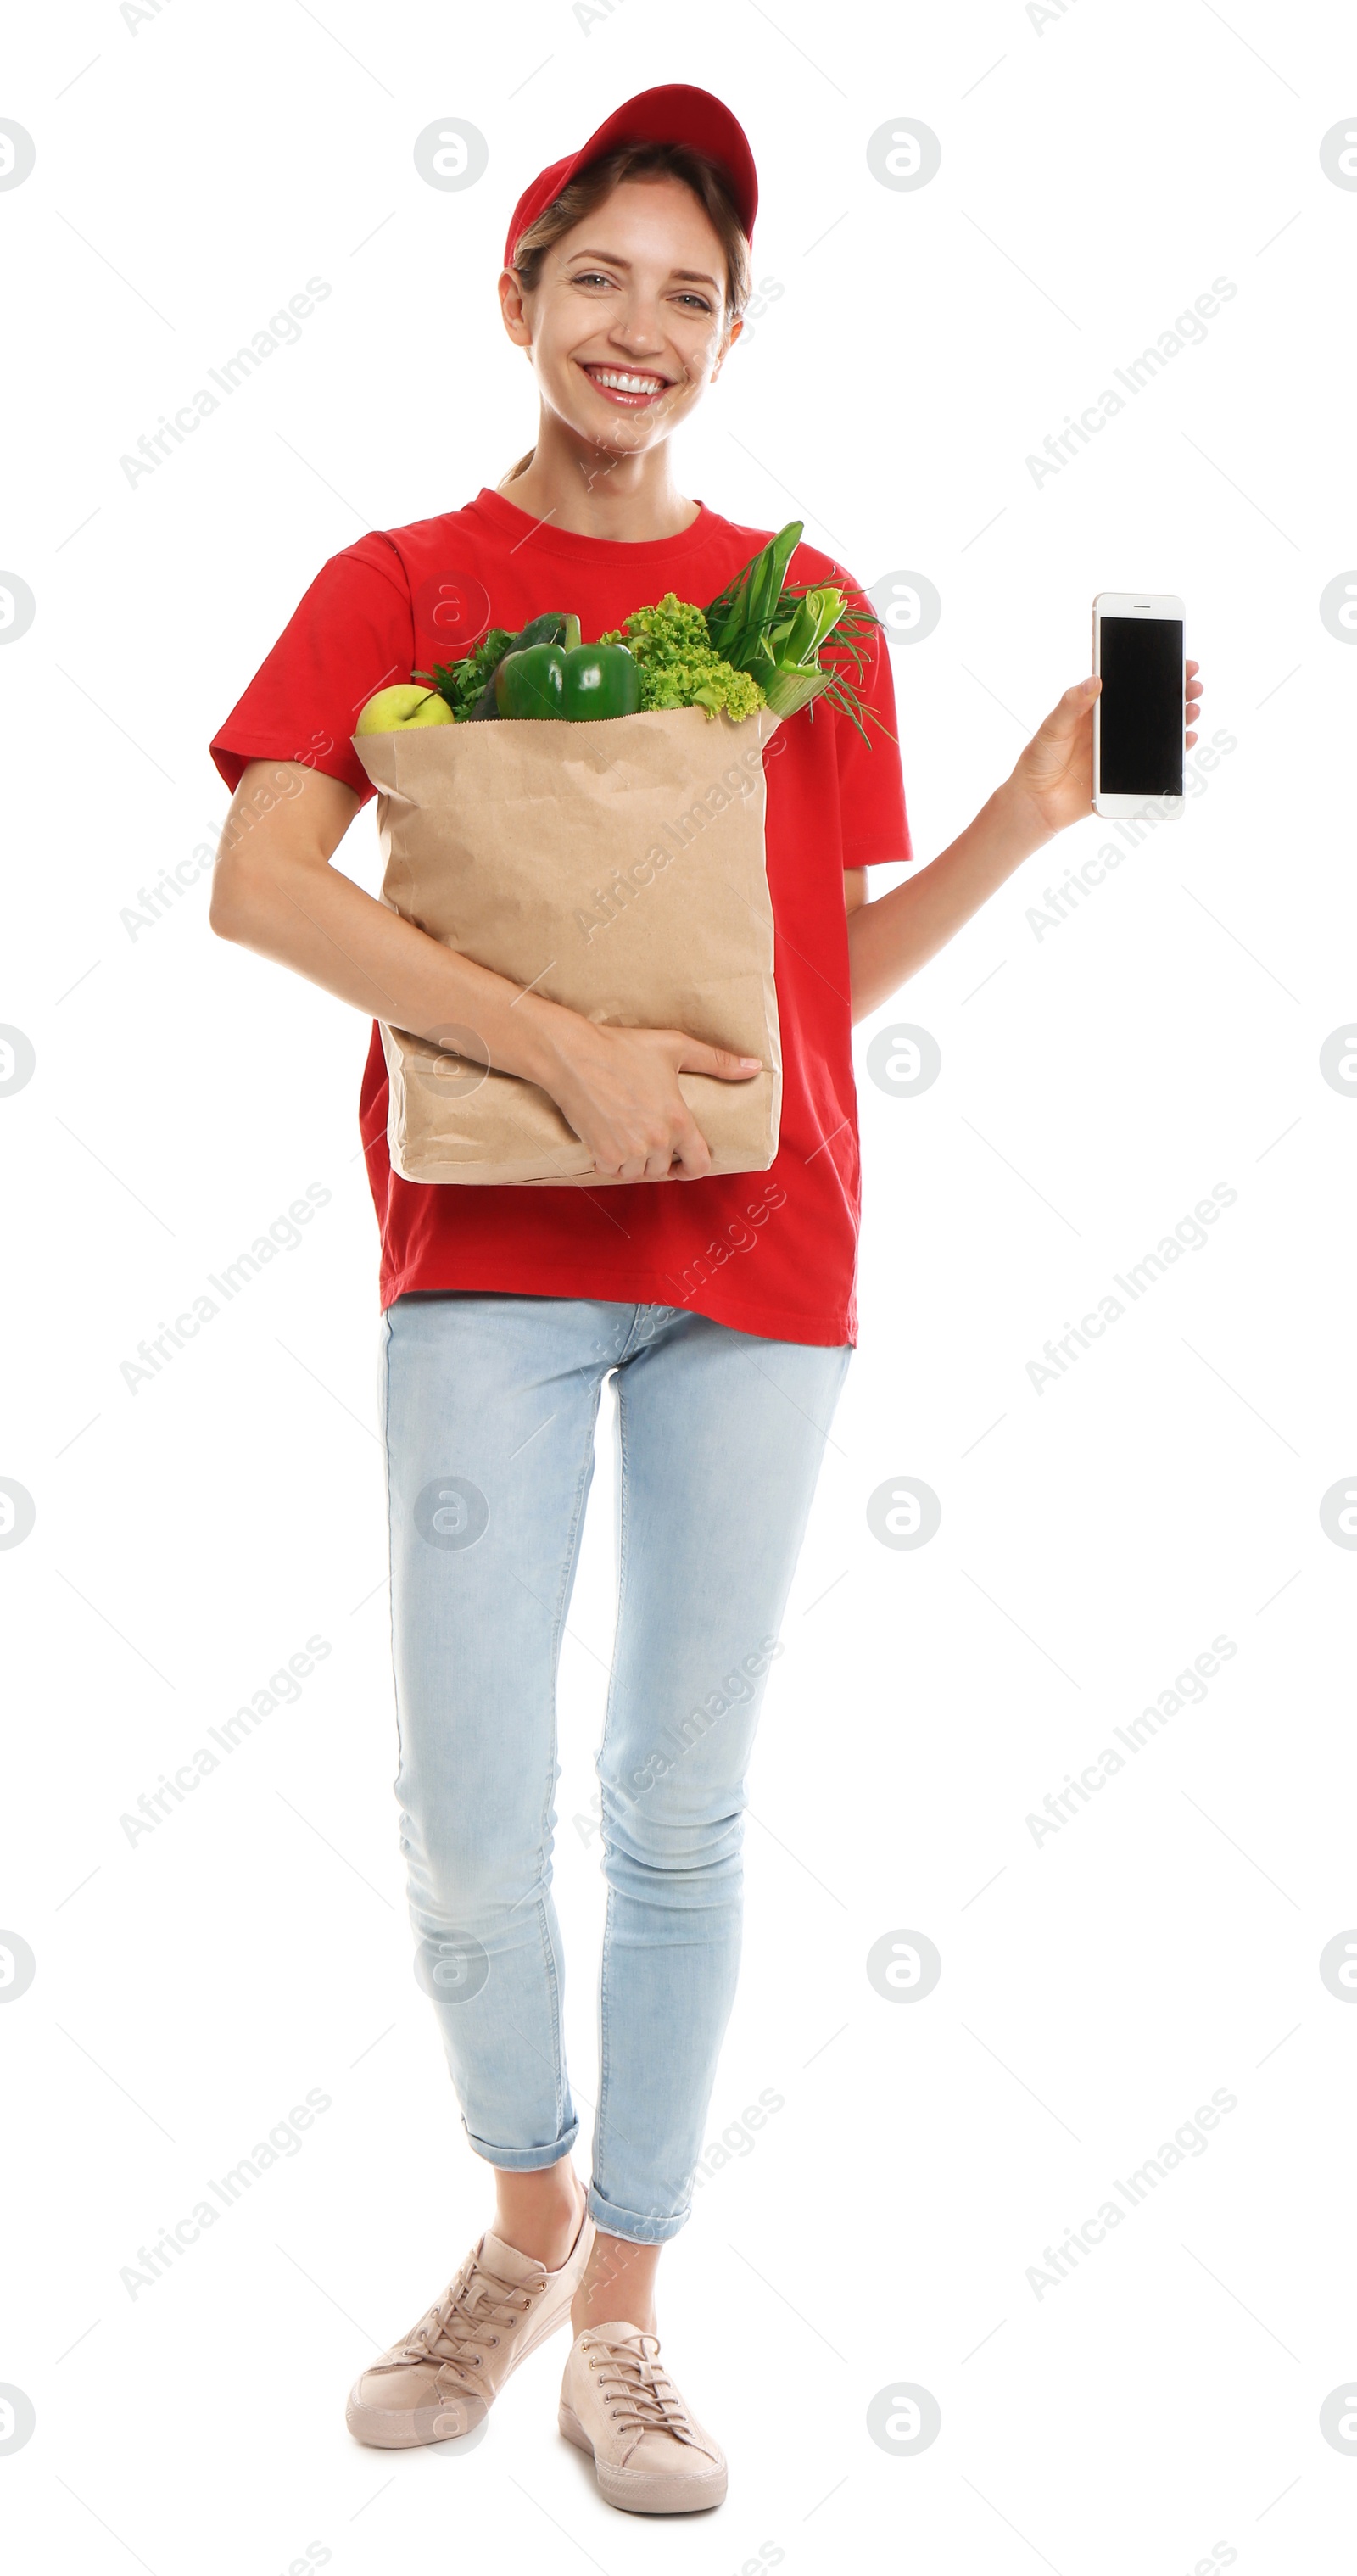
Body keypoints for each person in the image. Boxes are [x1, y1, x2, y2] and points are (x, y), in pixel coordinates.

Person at [208, 83, 1203, 2516]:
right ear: (519, 292)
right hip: (487, 1247)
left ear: (733, 337)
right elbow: (258, 884)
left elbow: (809, 980)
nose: (639, 328)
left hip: (765, 1256)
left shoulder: (806, 608)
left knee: (673, 1803)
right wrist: (555, 1050)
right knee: (463, 1811)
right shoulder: (402, 585)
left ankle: (622, 2311)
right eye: (599, 277)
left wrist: (1030, 816)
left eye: (691, 295)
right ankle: (521, 2214)